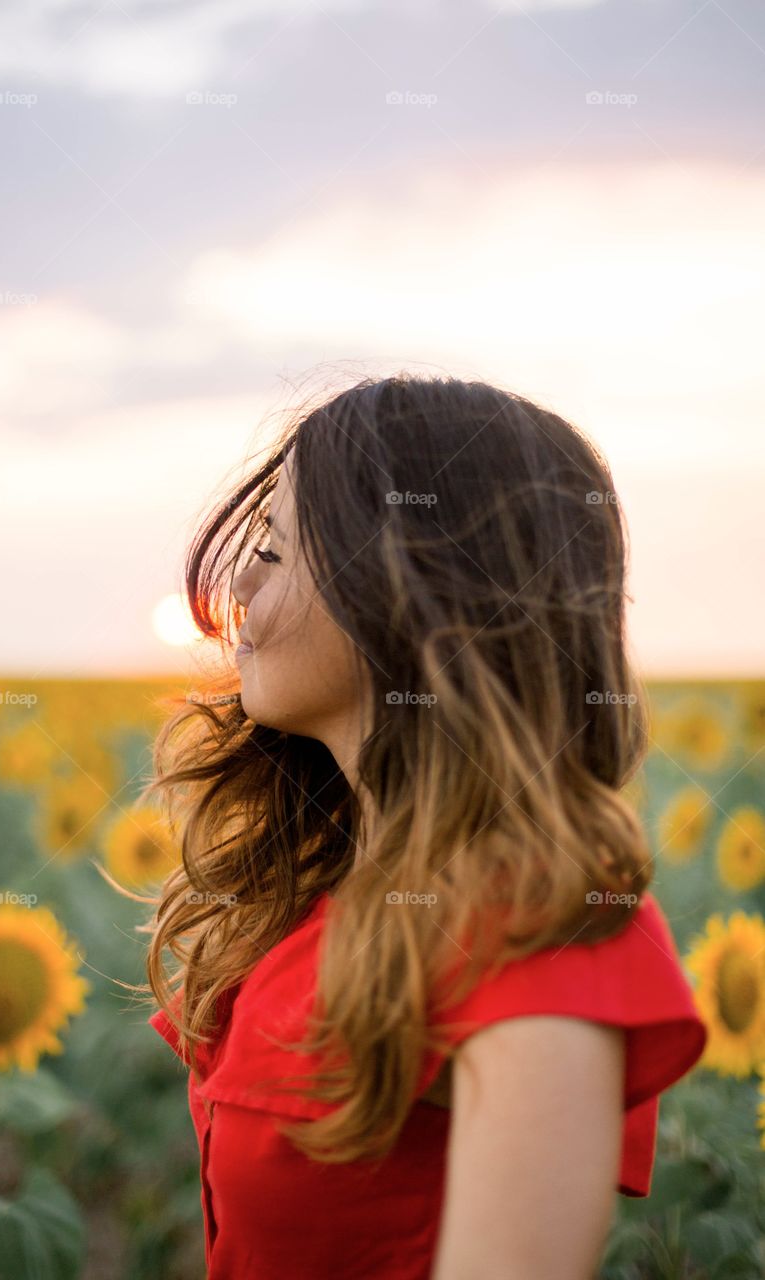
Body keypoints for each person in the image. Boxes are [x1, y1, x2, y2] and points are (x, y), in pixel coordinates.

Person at [143, 374, 707, 1279]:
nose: (238, 584)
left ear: (412, 591)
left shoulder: (542, 926)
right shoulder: (317, 889)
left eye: (278, 554)